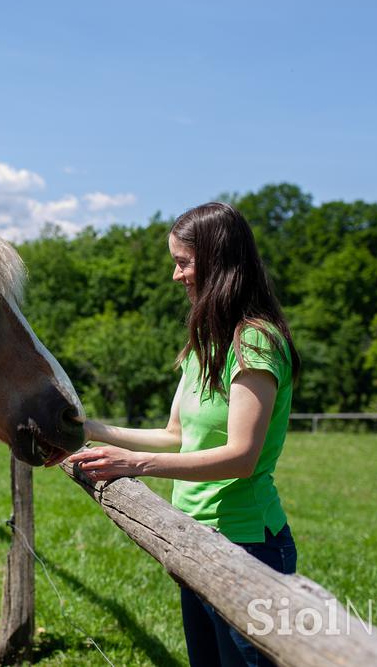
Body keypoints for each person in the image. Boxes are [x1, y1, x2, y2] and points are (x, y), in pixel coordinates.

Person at [67, 201, 300, 667]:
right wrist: (84, 428)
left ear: (218, 264)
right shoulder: (205, 344)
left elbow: (242, 456)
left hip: (247, 545)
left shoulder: (254, 342)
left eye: (183, 262)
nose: (177, 275)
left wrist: (133, 464)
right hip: (193, 538)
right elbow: (175, 435)